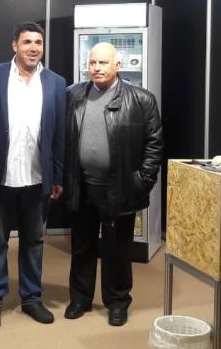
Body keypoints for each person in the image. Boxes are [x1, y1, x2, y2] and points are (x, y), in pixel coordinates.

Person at [0, 21, 66, 330]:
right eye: (27, 42)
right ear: (14, 45)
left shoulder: (56, 82)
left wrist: (57, 176)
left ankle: (32, 298)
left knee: (34, 242)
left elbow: (59, 135)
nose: (33, 48)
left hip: (37, 179)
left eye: (38, 42)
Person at [63, 42, 163, 327]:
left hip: (119, 188)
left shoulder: (142, 99)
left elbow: (154, 144)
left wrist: (141, 181)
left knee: (117, 249)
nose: (97, 68)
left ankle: (117, 302)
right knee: (82, 246)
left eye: (103, 63)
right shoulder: (72, 95)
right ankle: (80, 299)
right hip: (82, 185)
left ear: (118, 65)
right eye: (92, 63)